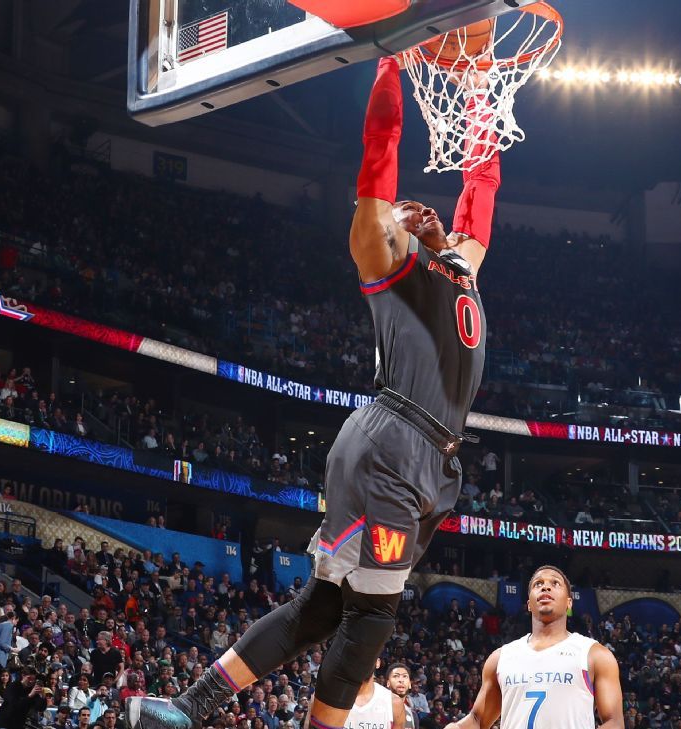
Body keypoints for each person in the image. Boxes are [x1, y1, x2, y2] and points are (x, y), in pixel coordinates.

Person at [127, 52, 499, 729]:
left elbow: (483, 185)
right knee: (374, 615)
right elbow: (379, 150)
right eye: (401, 213)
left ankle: (185, 708)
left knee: (324, 606)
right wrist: (392, 60)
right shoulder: (383, 257)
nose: (416, 213)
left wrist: (479, 92)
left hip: (420, 455)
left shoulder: (461, 267)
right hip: (394, 445)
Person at [445, 567, 623, 729]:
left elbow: (614, 722)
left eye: (555, 583)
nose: (546, 587)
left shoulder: (594, 654)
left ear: (569, 603)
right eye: (538, 584)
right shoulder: (501, 658)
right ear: (529, 604)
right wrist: (457, 728)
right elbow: (477, 720)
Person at [343, 661, 404, 729]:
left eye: (368, 654)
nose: (363, 659)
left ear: (378, 662)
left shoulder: (394, 702)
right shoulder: (332, 698)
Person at [385, 664, 417, 729]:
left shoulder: (412, 714)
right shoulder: (379, 708)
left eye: (405, 676)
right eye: (396, 676)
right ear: (388, 683)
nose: (401, 680)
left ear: (410, 684)